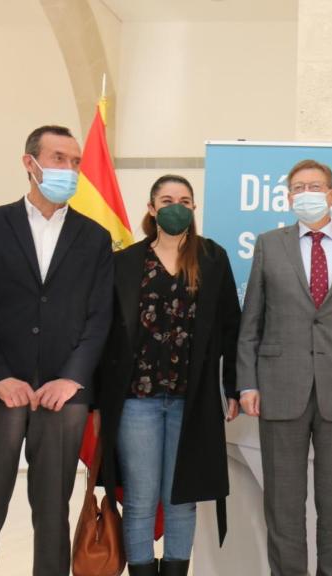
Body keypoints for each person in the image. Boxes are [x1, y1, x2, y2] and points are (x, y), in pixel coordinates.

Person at [0, 125, 113, 575]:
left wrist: (72, 377)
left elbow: (99, 316)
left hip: (64, 395)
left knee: (52, 514)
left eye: (76, 161)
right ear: (30, 162)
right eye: (59, 158)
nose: (70, 168)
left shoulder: (95, 237)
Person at [236, 159, 332, 576]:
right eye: (298, 187)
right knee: (283, 506)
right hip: (280, 388)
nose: (306, 194)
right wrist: (247, 382)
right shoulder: (269, 244)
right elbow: (252, 320)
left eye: (314, 186)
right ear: (288, 197)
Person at [97, 175, 241, 575]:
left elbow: (232, 327)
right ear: (151, 208)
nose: (175, 205)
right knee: (142, 498)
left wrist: (233, 387)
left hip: (190, 401)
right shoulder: (125, 262)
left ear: (193, 208)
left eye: (184, 199)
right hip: (135, 399)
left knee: (182, 498)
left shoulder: (213, 259)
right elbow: (105, 332)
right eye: (166, 199)